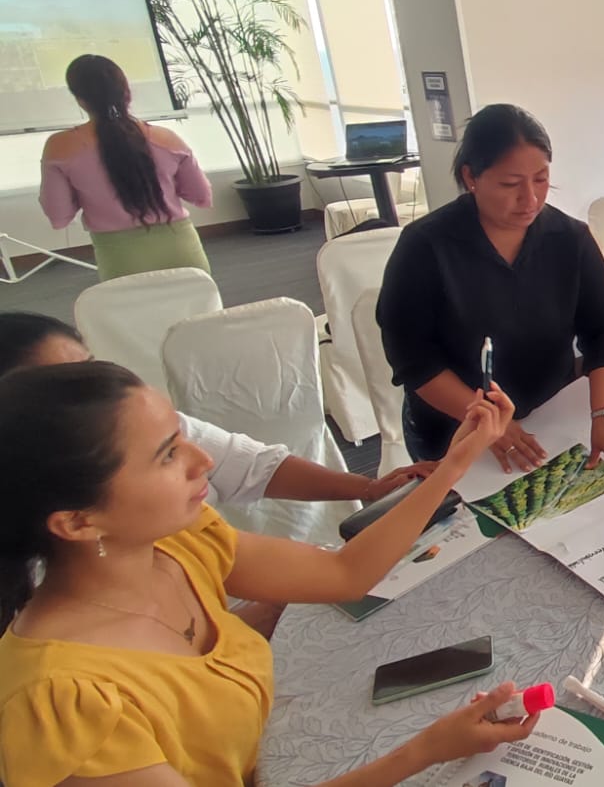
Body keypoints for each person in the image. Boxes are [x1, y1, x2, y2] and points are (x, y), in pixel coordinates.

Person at [0, 360, 531, 785]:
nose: (203, 460)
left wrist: (455, 463)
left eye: (182, 436)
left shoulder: (176, 542)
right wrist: (424, 751)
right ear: (76, 521)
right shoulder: (61, 700)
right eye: (166, 455)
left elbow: (343, 573)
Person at [378, 104, 604, 478]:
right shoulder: (425, 247)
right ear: (470, 177)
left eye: (541, 179)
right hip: (454, 427)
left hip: (550, 413)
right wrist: (490, 424)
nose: (531, 199)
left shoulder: (569, 238)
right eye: (510, 184)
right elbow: (414, 361)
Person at [0, 311, 434, 508]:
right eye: (67, 386)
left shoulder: (191, 531)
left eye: (90, 366)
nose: (202, 462)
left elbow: (251, 467)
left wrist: (367, 489)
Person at [39, 55, 214, 281]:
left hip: (120, 257)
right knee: (198, 304)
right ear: (126, 92)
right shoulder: (167, 139)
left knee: (133, 306)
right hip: (182, 250)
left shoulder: (60, 147)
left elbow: (59, 215)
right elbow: (201, 196)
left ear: (80, 99)